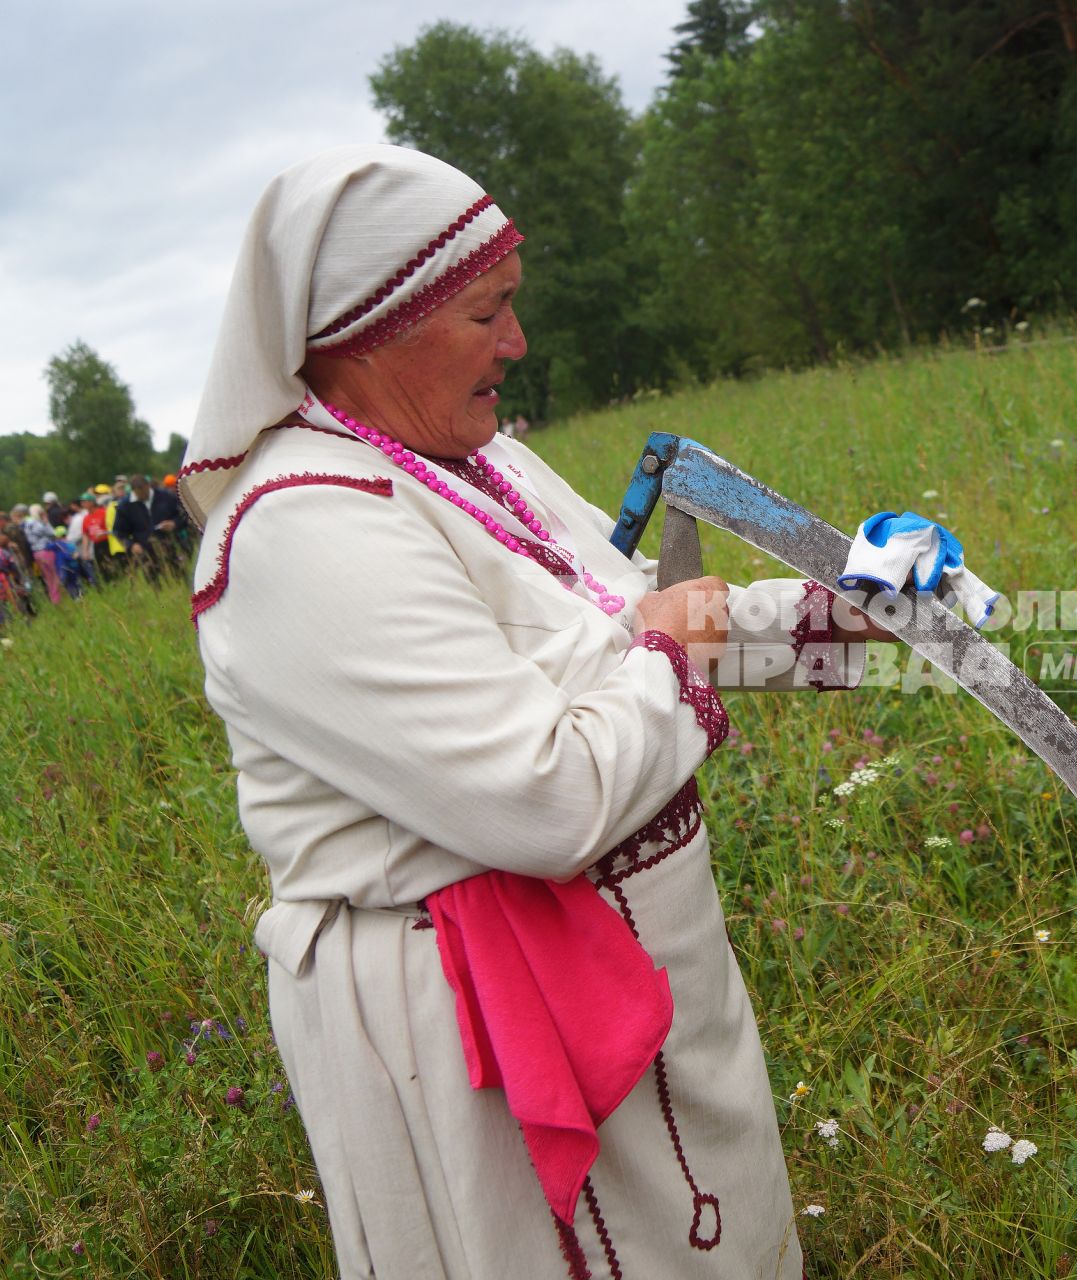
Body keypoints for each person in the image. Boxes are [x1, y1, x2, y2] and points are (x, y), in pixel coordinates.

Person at [181, 143, 885, 1279]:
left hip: (638, 970)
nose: (515, 341)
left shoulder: (472, 458)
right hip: (476, 1027)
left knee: (718, 1235)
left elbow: (621, 621)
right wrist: (671, 647)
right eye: (485, 312)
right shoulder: (301, 528)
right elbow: (544, 792)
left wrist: (848, 612)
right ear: (373, 323)